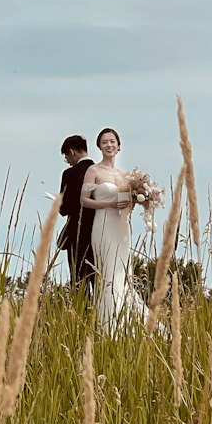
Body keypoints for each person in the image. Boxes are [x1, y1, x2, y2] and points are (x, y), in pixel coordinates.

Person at [79, 127, 143, 329]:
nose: (109, 145)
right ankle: (108, 325)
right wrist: (108, 205)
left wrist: (140, 201)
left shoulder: (125, 175)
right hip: (104, 223)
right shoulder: (94, 171)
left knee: (123, 273)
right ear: (99, 146)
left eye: (112, 141)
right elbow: (84, 201)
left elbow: (129, 203)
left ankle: (125, 323)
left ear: (118, 146)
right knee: (107, 272)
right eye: (105, 142)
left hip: (122, 228)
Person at [57, 135, 94, 289]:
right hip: (100, 232)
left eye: (66, 157)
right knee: (99, 279)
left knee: (79, 281)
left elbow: (63, 209)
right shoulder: (101, 170)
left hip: (77, 234)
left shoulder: (70, 174)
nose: (68, 162)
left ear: (71, 152)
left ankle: (83, 313)